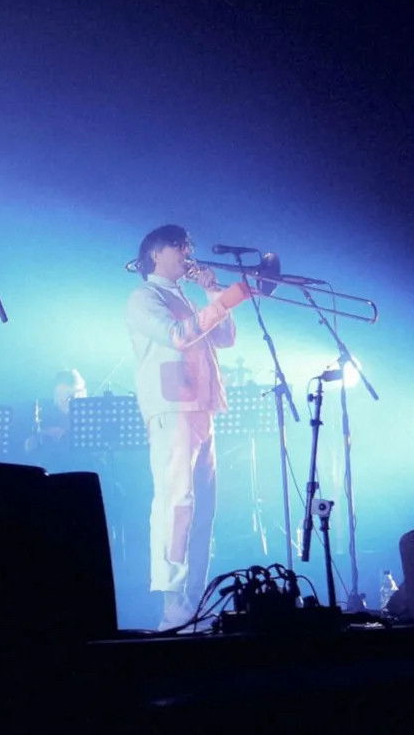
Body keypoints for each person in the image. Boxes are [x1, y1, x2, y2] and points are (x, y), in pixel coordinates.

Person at [125, 225, 250, 631]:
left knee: (203, 511)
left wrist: (215, 293)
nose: (188, 252)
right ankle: (173, 606)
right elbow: (178, 336)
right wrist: (227, 299)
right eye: (180, 246)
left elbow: (226, 337)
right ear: (156, 253)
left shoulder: (184, 297)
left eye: (189, 245)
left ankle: (194, 603)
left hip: (201, 408)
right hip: (172, 407)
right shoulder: (145, 297)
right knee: (177, 503)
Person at [24, 368, 87, 469]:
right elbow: (30, 447)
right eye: (65, 395)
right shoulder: (43, 412)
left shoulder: (88, 418)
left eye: (75, 394)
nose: (71, 399)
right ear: (55, 394)